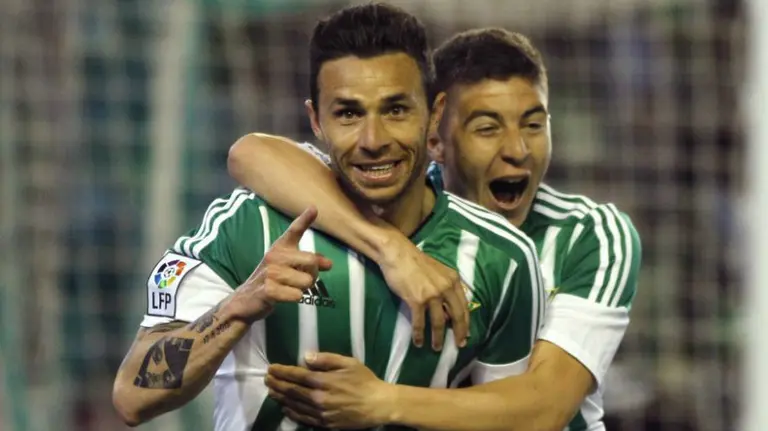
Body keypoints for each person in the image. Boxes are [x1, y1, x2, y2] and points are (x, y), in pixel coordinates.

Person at [112, 5, 546, 430]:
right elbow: (133, 395)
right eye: (349, 114)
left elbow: (511, 418)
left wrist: (384, 405)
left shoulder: (502, 256)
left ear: (434, 114)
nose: (373, 140)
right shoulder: (250, 225)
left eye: (396, 109)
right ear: (316, 120)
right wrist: (240, 306)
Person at [227, 28, 641, 431]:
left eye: (533, 125)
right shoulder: (394, 201)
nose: (517, 150)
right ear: (435, 135)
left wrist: (379, 401)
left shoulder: (589, 235)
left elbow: (546, 409)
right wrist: (392, 248)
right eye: (487, 128)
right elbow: (252, 153)